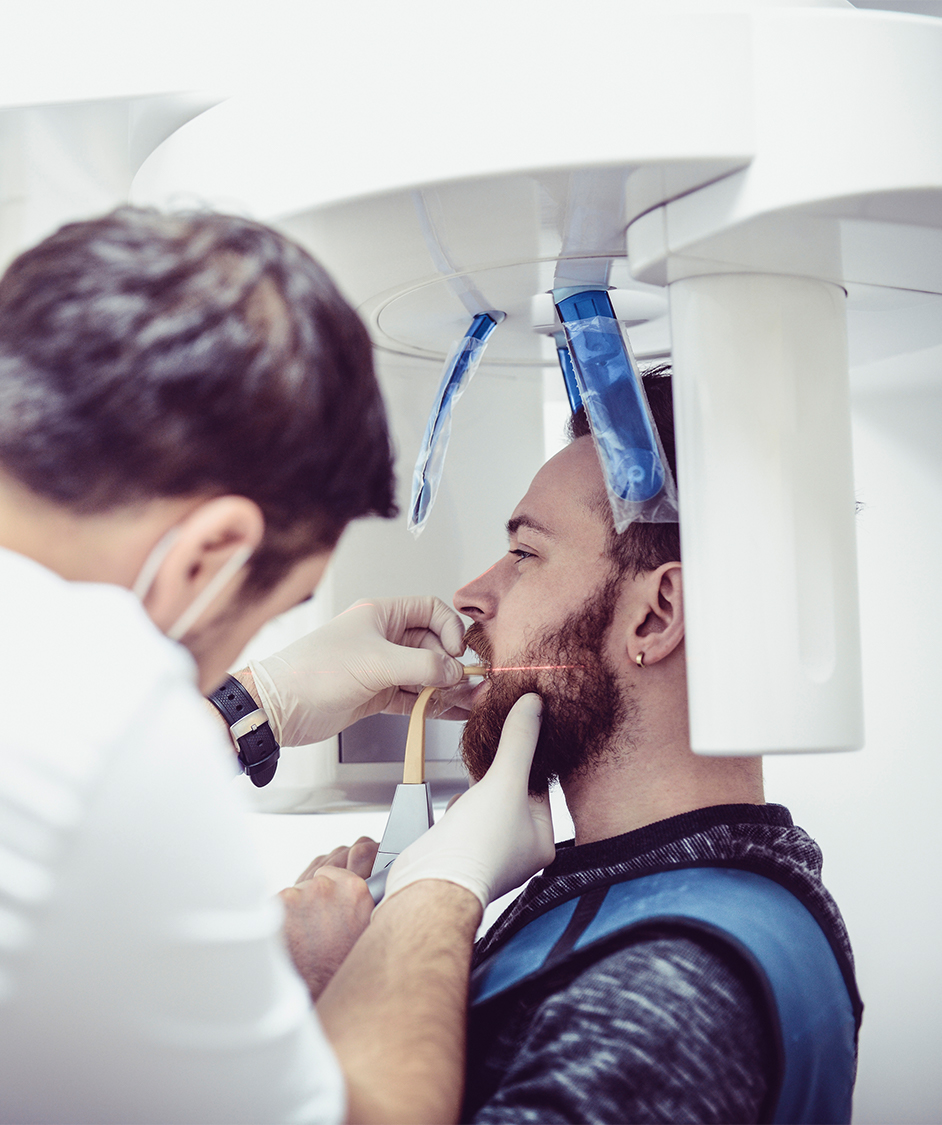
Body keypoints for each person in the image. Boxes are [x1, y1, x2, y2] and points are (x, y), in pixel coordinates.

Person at [0, 207, 553, 1125]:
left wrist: (257, 703)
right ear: (207, 555)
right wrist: (437, 887)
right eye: (265, 612)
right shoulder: (107, 729)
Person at [447, 369, 863, 1124]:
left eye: (525, 553)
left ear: (656, 614)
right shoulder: (722, 893)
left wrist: (421, 911)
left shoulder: (666, 984)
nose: (471, 596)